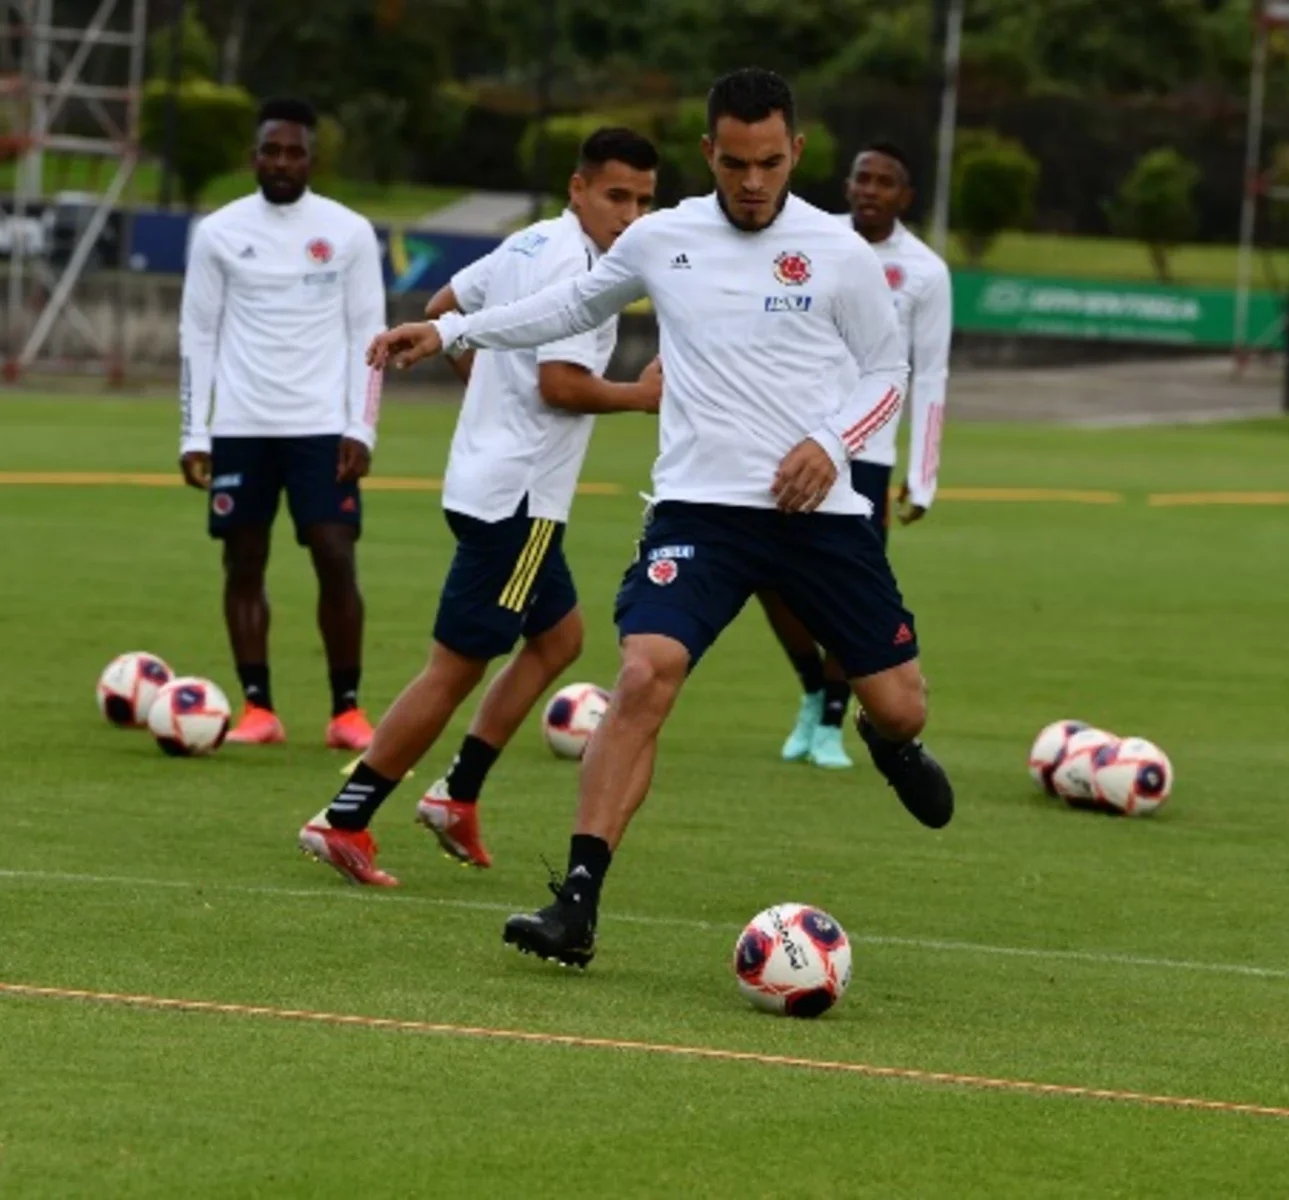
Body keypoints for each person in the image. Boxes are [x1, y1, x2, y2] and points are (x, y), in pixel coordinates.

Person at [368, 67, 954, 969]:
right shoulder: (664, 237)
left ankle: (887, 741)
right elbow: (569, 305)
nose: (752, 182)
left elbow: (887, 370)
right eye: (733, 163)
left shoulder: (838, 251)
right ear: (708, 154)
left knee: (902, 706)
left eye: (768, 162)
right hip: (700, 509)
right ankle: (576, 905)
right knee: (644, 673)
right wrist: (450, 332)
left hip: (817, 509)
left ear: (796, 152)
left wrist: (832, 446)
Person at [297, 128, 662, 887]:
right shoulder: (587, 272)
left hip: (481, 480)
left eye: (644, 201)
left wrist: (489, 398)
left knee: (559, 639)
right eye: (617, 196)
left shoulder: (530, 243)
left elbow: (442, 306)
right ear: (579, 188)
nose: (630, 215)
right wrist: (640, 396)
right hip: (520, 501)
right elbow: (561, 384)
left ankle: (457, 793)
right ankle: (346, 817)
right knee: (453, 668)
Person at [178, 98, 386, 751]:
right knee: (243, 560)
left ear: (312, 159)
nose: (282, 162)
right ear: (254, 157)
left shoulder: (348, 232)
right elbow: (198, 334)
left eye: (294, 151)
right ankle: (257, 708)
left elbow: (369, 333)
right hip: (241, 425)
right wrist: (195, 431)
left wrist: (363, 426)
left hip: (322, 427)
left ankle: (347, 710)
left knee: (334, 555)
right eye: (271, 150)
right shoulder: (217, 233)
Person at [760, 141, 952, 770]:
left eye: (885, 182)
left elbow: (931, 377)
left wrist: (922, 479)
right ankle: (815, 690)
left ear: (906, 196)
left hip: (865, 455)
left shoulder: (924, 272)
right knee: (771, 581)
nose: (870, 190)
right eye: (862, 178)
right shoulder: (811, 241)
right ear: (846, 185)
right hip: (793, 439)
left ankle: (832, 721)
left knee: (848, 592)